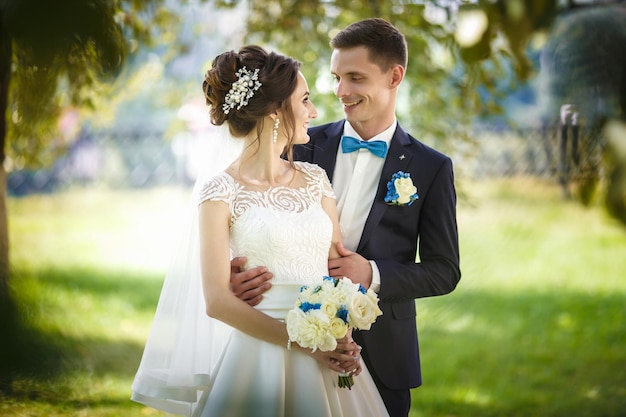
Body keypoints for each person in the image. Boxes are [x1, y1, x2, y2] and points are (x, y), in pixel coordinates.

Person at [131, 45, 390, 417]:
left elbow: (337, 268)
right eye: (304, 101)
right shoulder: (220, 191)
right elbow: (217, 301)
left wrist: (343, 331)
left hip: (327, 351)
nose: (313, 113)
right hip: (259, 352)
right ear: (273, 112)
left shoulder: (316, 180)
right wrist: (303, 344)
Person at [230, 18, 461, 417]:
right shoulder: (299, 143)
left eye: (355, 77)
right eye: (336, 77)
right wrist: (237, 272)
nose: (341, 91)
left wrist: (371, 274)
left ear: (394, 76)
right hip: (292, 340)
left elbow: (445, 270)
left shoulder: (431, 167)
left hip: (384, 350)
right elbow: (248, 212)